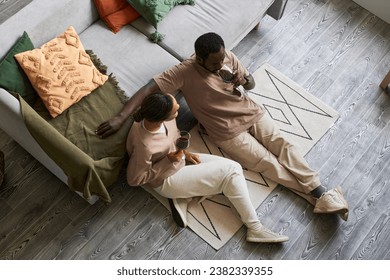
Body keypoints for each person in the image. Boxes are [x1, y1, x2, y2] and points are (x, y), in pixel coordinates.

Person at [96, 32, 349, 222]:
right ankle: (318, 196)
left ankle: (319, 190)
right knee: (266, 164)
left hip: (249, 111)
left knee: (283, 145)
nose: (221, 65)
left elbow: (250, 86)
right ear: (200, 59)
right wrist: (121, 117)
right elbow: (149, 88)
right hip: (226, 131)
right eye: (214, 63)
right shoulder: (184, 71)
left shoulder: (227, 57)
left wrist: (244, 79)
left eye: (222, 59)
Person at [126, 92, 289, 243]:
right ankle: (255, 229)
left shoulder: (164, 118)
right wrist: (168, 160)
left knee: (234, 168)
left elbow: (173, 137)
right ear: (161, 117)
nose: (178, 110)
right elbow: (135, 179)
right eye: (175, 111)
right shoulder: (144, 146)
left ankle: (184, 196)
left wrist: (185, 153)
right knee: (230, 174)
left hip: (179, 160)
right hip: (166, 179)